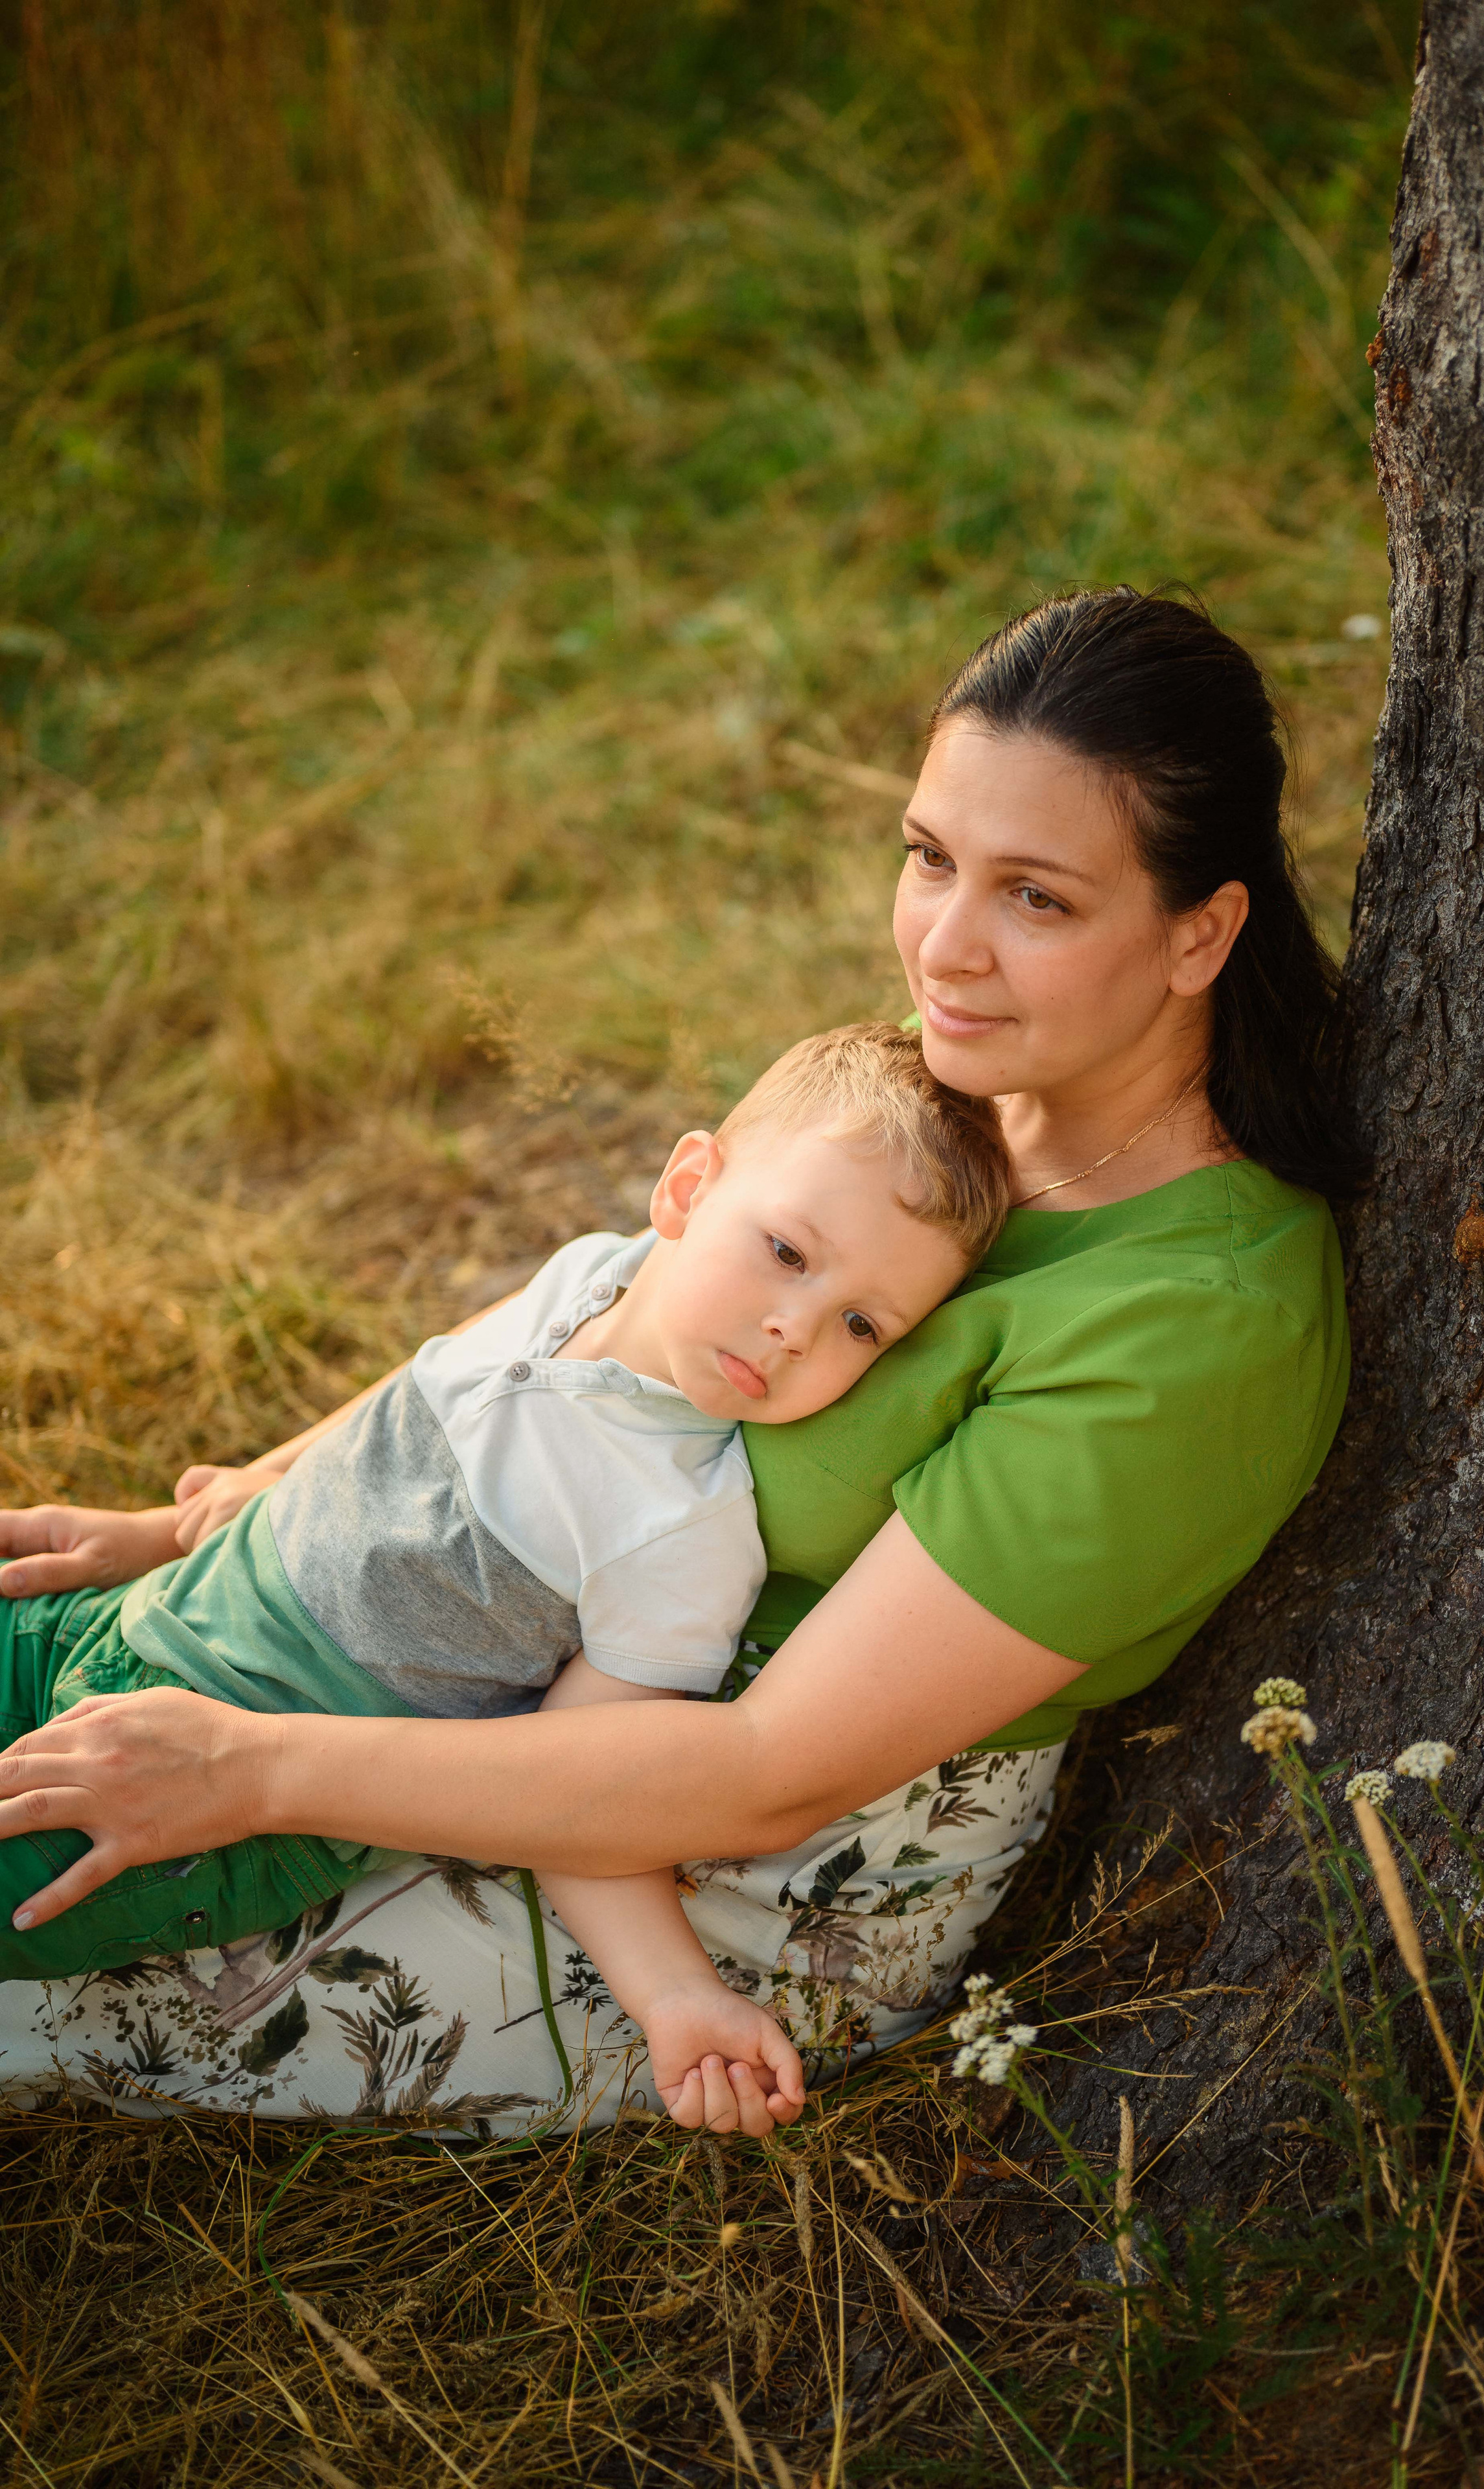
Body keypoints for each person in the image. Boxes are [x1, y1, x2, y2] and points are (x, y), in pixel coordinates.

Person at [0, 587, 1360, 2142]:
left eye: (1036, 899)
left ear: (1201, 928)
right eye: (928, 859)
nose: (947, 947)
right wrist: (215, 1516)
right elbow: (571, 1328)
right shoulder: (956, 1102)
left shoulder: (1202, 1326)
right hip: (445, 1670)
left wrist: (251, 1773)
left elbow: (770, 1771)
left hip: (722, 1874)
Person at [0, 1024, 1008, 2131]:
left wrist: (675, 1998)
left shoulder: (685, 1531)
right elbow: (415, 1385)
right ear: (686, 1188)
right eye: (787, 1252)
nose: (794, 1328)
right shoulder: (589, 1274)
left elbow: (583, 1793)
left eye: (861, 1324)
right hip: (119, 1627)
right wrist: (170, 1526)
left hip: (197, 1807)